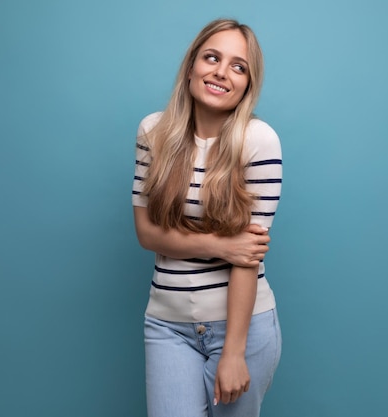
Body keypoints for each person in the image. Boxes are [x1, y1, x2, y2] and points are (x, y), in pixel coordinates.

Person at [131, 18, 282, 417]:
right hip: (166, 325)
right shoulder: (154, 132)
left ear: (248, 83)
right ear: (191, 66)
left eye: (238, 66)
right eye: (211, 58)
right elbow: (147, 233)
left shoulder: (259, 140)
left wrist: (234, 352)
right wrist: (220, 245)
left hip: (241, 330)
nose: (220, 72)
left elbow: (247, 256)